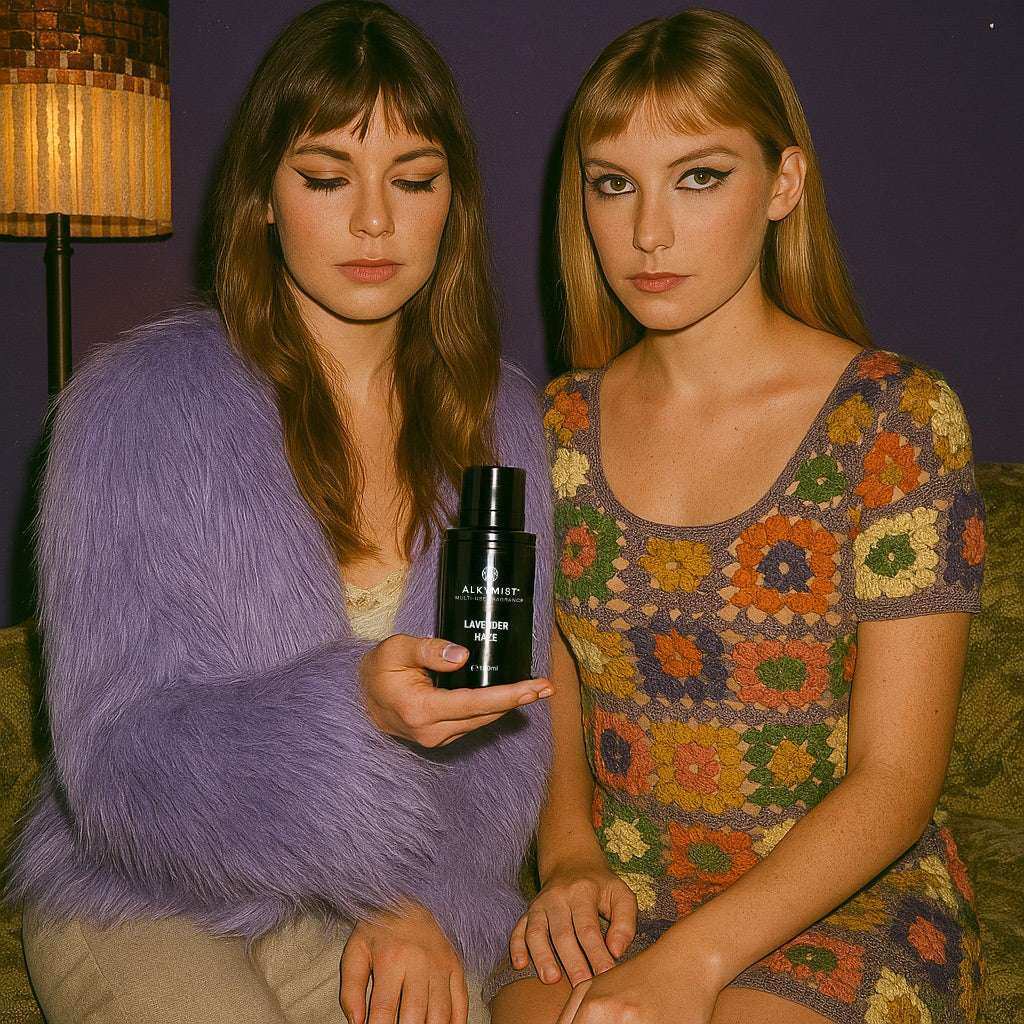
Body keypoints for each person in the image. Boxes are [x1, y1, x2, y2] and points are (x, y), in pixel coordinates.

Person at [7, 3, 554, 1022]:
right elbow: (115, 765)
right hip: (141, 890)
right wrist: (351, 706)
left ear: (455, 202)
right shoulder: (135, 408)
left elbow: (510, 738)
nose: (374, 221)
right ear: (261, 193)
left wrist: (412, 902)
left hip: (398, 907)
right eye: (326, 177)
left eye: (414, 178)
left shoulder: (503, 424)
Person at [488, 9, 986, 1024]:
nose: (648, 231)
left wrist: (697, 960)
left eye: (699, 176)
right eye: (613, 183)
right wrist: (571, 854)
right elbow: (552, 681)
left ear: (783, 185)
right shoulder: (554, 428)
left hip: (849, 894)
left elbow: (895, 778)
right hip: (623, 889)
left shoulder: (896, 421)